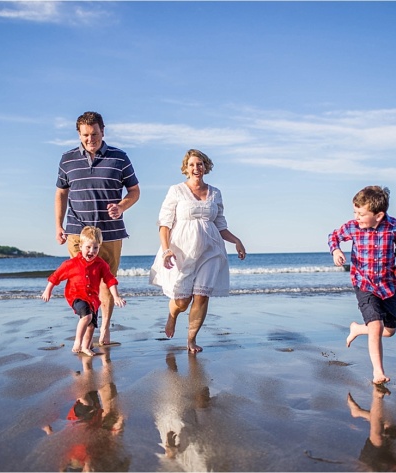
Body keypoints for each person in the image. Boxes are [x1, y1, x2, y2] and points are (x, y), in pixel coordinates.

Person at [54, 111, 140, 347]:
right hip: (77, 233)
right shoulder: (67, 159)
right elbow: (61, 193)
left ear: (103, 131)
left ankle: (104, 329)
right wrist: (58, 225)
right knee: (83, 283)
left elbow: (134, 191)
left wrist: (121, 206)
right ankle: (88, 330)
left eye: (94, 134)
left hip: (110, 233)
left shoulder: (119, 158)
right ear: (79, 134)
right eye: (85, 135)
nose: (89, 139)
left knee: (106, 282)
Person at [150, 149, 246, 353]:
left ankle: (191, 340)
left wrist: (236, 240)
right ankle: (173, 315)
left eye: (200, 164)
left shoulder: (215, 193)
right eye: (192, 164)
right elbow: (164, 224)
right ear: (186, 168)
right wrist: (166, 250)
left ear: (206, 166)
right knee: (183, 301)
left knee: (202, 296)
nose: (196, 168)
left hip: (211, 250)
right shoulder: (176, 190)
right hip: (182, 250)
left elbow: (220, 225)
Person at [329, 185, 396, 385]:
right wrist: (336, 251)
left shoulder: (394, 227)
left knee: (389, 330)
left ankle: (357, 329)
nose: (356, 217)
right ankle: (378, 373)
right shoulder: (353, 227)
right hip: (363, 283)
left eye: (361, 214)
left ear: (379, 215)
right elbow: (334, 236)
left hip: (387, 285)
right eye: (355, 212)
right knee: (375, 326)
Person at [42, 226, 127, 356]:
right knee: (86, 316)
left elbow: (110, 280)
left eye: (95, 248)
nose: (91, 251)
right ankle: (78, 341)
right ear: (80, 246)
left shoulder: (101, 264)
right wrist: (48, 290)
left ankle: (86, 347)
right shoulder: (71, 264)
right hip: (76, 296)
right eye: (88, 247)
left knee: (91, 325)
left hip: (93, 299)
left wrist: (116, 297)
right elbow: (56, 276)